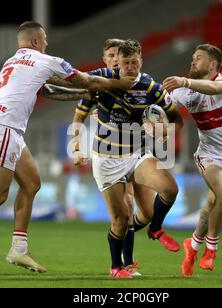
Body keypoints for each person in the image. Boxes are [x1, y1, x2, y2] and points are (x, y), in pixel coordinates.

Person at [0, 21, 134, 283]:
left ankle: (18, 249)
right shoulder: (45, 59)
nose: (46, 43)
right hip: (2, 129)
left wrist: (82, 93)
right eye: (44, 39)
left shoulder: (13, 61)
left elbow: (47, 90)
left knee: (32, 183)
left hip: (4, 128)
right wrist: (119, 84)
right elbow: (87, 79)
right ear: (35, 41)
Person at [82, 39, 183, 279]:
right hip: (107, 160)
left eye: (134, 62)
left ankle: (156, 228)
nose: (130, 66)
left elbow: (177, 120)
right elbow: (82, 81)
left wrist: (164, 130)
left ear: (141, 62)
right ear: (118, 62)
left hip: (137, 154)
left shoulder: (153, 88)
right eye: (125, 62)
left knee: (169, 189)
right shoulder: (105, 80)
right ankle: (117, 267)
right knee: (121, 219)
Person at [163, 44, 222, 276]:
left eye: (198, 58)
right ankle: (211, 249)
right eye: (192, 57)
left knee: (212, 204)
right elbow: (162, 106)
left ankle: (192, 245)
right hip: (208, 155)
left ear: (212, 64)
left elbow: (213, 88)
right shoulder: (184, 90)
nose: (192, 62)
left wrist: (185, 82)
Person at [71, 38, 154, 277]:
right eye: (111, 56)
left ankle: (122, 246)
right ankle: (123, 263)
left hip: (137, 152)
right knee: (126, 208)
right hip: (109, 156)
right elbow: (78, 121)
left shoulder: (139, 85)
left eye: (120, 55)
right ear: (105, 60)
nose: (116, 59)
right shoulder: (97, 89)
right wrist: (77, 148)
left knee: (146, 213)